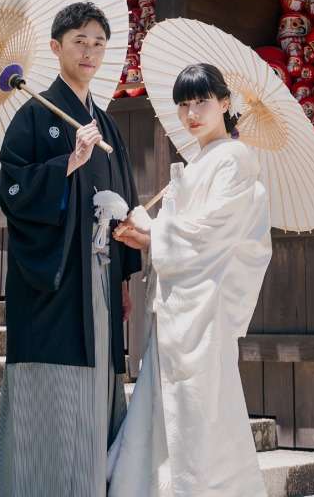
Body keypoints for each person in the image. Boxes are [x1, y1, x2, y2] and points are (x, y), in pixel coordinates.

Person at [0, 1, 142, 497]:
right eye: (80, 41)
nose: (90, 50)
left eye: (98, 42)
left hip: (98, 276)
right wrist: (67, 164)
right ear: (56, 48)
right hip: (52, 281)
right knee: (52, 387)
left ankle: (91, 485)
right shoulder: (33, 116)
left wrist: (122, 275)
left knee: (100, 380)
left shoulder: (106, 125)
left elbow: (122, 202)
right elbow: (11, 190)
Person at [108, 62, 273, 497]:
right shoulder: (200, 162)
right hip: (179, 304)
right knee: (168, 407)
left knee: (198, 412)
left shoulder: (235, 159)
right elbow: (185, 228)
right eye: (183, 104)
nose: (191, 113)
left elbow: (213, 231)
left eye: (201, 101)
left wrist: (152, 235)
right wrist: (148, 225)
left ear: (224, 103)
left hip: (203, 306)